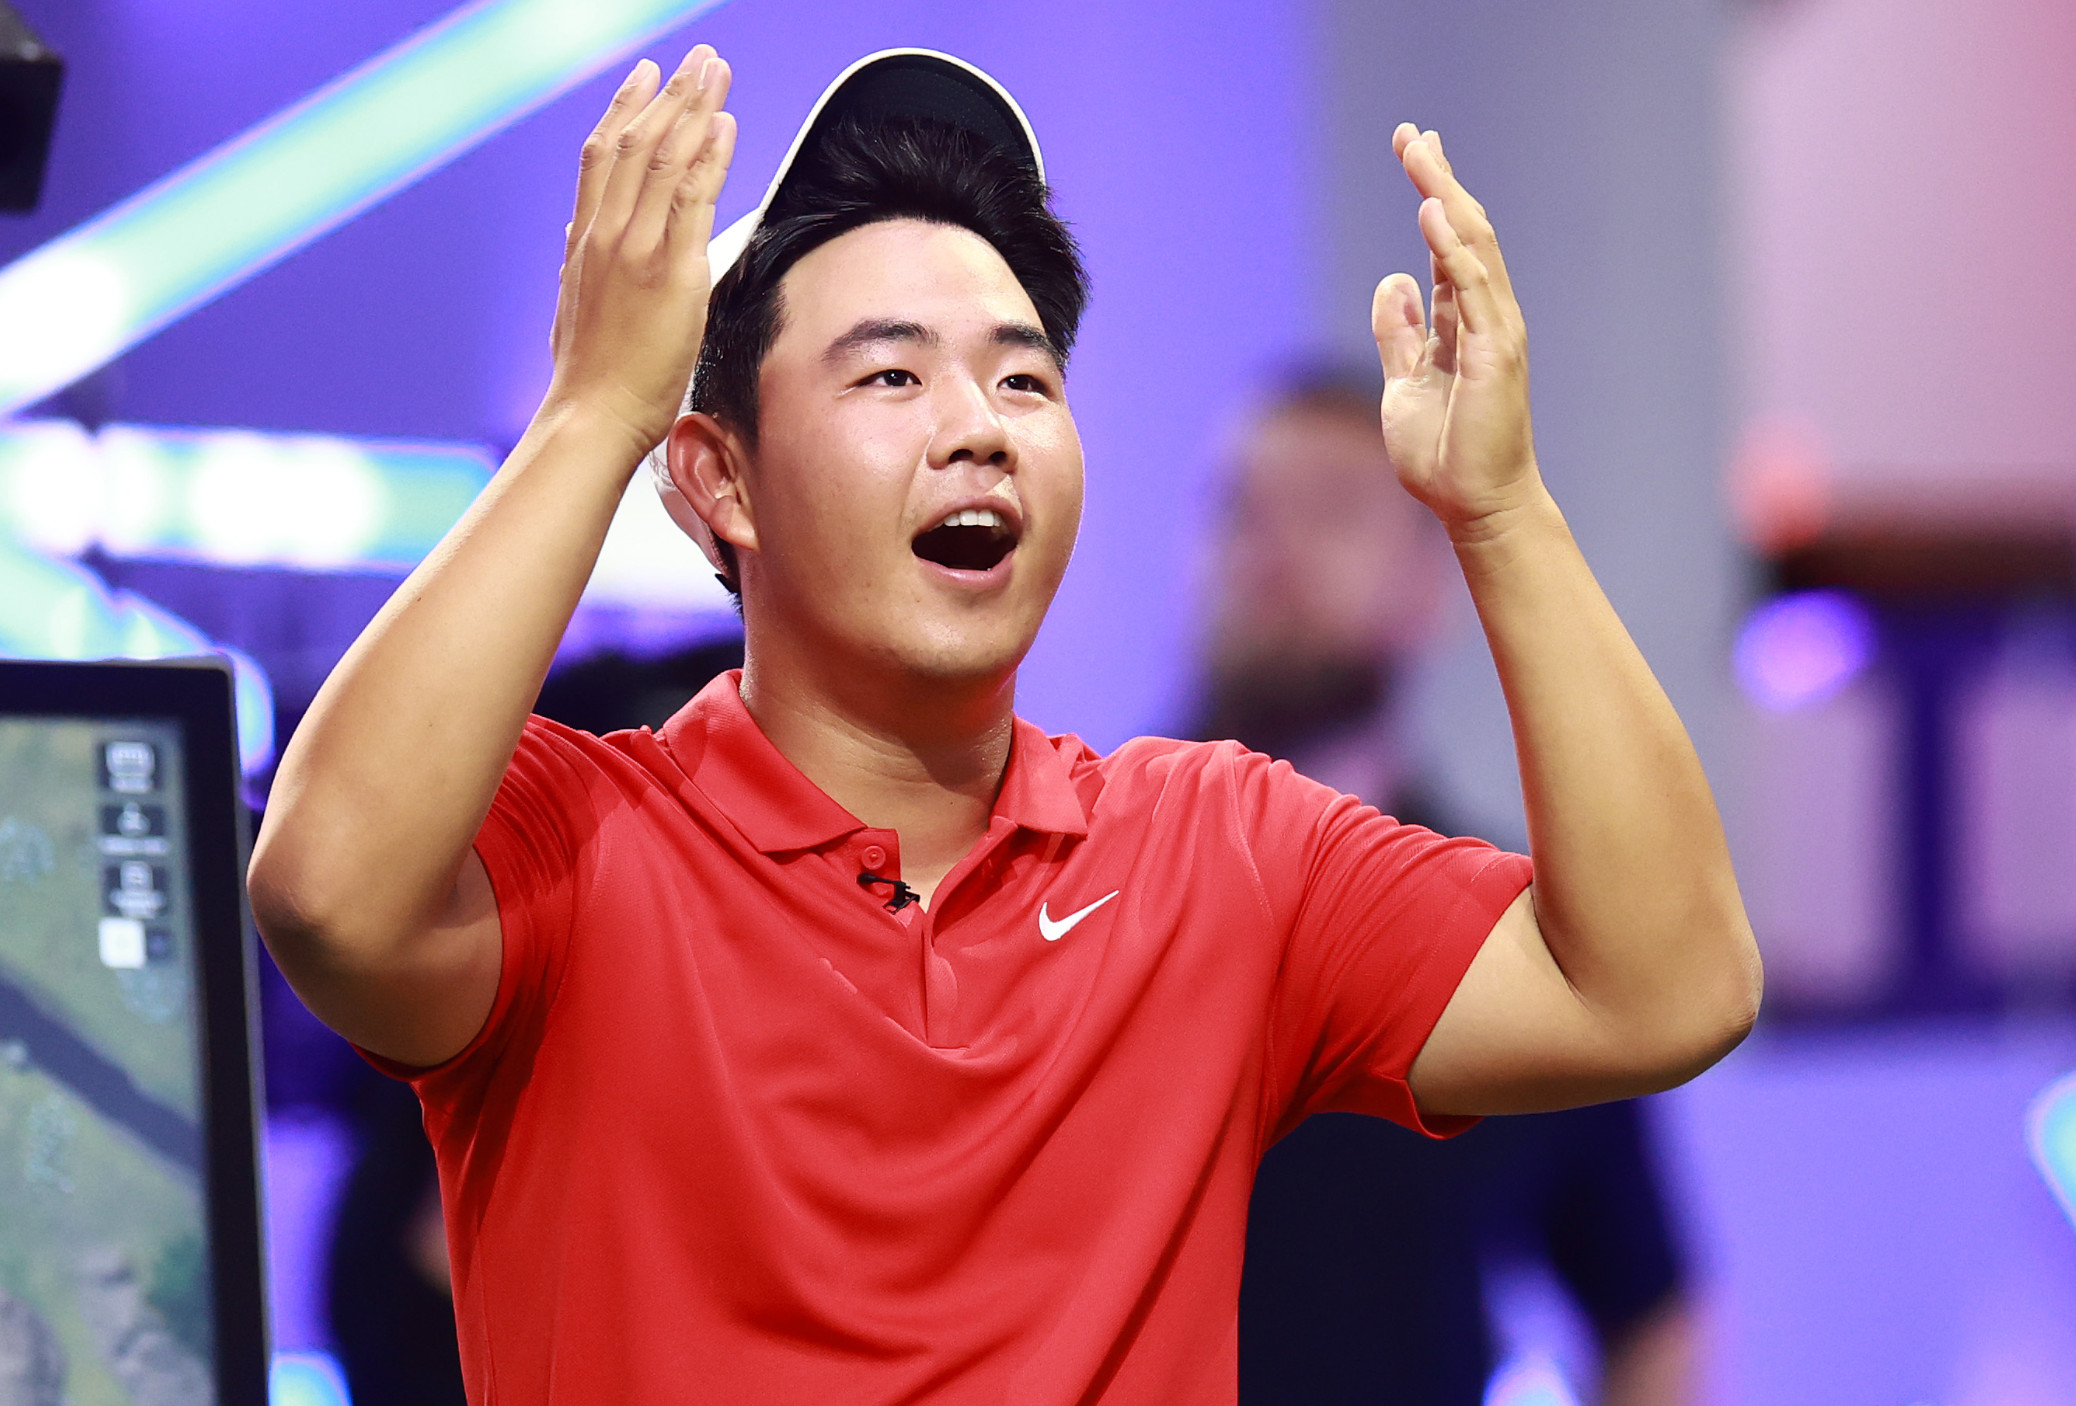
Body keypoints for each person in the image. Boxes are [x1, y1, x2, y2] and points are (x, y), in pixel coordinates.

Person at [247, 44, 1761, 1403]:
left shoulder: (1216, 854)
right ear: (720, 480)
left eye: (1023, 376)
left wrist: (1501, 512)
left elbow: (1664, 987)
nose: (978, 423)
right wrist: (594, 414)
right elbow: (325, 890)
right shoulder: (581, 836)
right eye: (892, 372)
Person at [1207, 368, 1698, 1405]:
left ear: (1425, 586)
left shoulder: (1515, 937)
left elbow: (1650, 1308)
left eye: (1331, 510)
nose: (1272, 548)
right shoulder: (1080, 881)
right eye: (1241, 510)